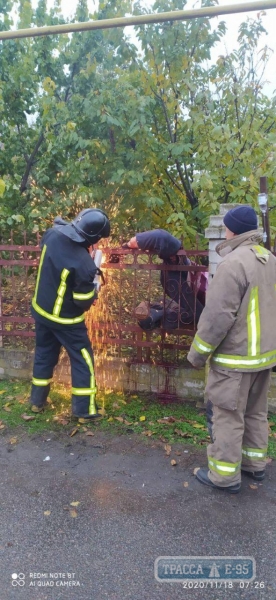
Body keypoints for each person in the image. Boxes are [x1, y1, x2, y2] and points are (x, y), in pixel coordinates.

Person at [187, 205, 276, 494]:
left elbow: (216, 318)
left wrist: (197, 355)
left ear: (233, 230)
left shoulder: (233, 264)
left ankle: (223, 477)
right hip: (264, 358)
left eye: (226, 227)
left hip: (235, 360)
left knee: (227, 415)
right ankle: (254, 466)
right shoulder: (269, 259)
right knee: (255, 413)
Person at [29, 208, 110, 422]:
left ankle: (37, 402)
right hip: (66, 320)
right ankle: (84, 411)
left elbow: (57, 255)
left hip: (40, 310)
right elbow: (82, 302)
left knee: (44, 354)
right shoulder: (84, 264)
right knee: (83, 359)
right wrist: (93, 292)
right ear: (92, 237)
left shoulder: (51, 235)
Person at [123, 229, 206, 329]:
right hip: (176, 275)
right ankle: (153, 316)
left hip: (177, 276)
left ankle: (154, 311)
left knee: (198, 315)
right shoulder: (171, 246)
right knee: (199, 315)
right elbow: (160, 236)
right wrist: (126, 246)